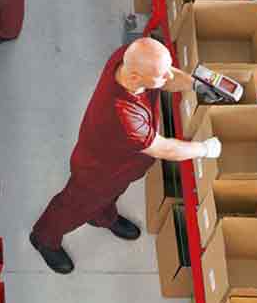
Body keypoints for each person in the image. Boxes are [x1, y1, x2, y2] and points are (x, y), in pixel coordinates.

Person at [29, 38, 221, 274]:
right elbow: (166, 149)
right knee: (73, 205)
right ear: (134, 78)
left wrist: (194, 84)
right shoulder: (124, 115)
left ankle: (101, 215)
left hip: (123, 166)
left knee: (110, 195)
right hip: (98, 172)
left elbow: (168, 76)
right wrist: (206, 149)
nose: (170, 77)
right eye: (162, 75)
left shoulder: (128, 58)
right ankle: (44, 237)